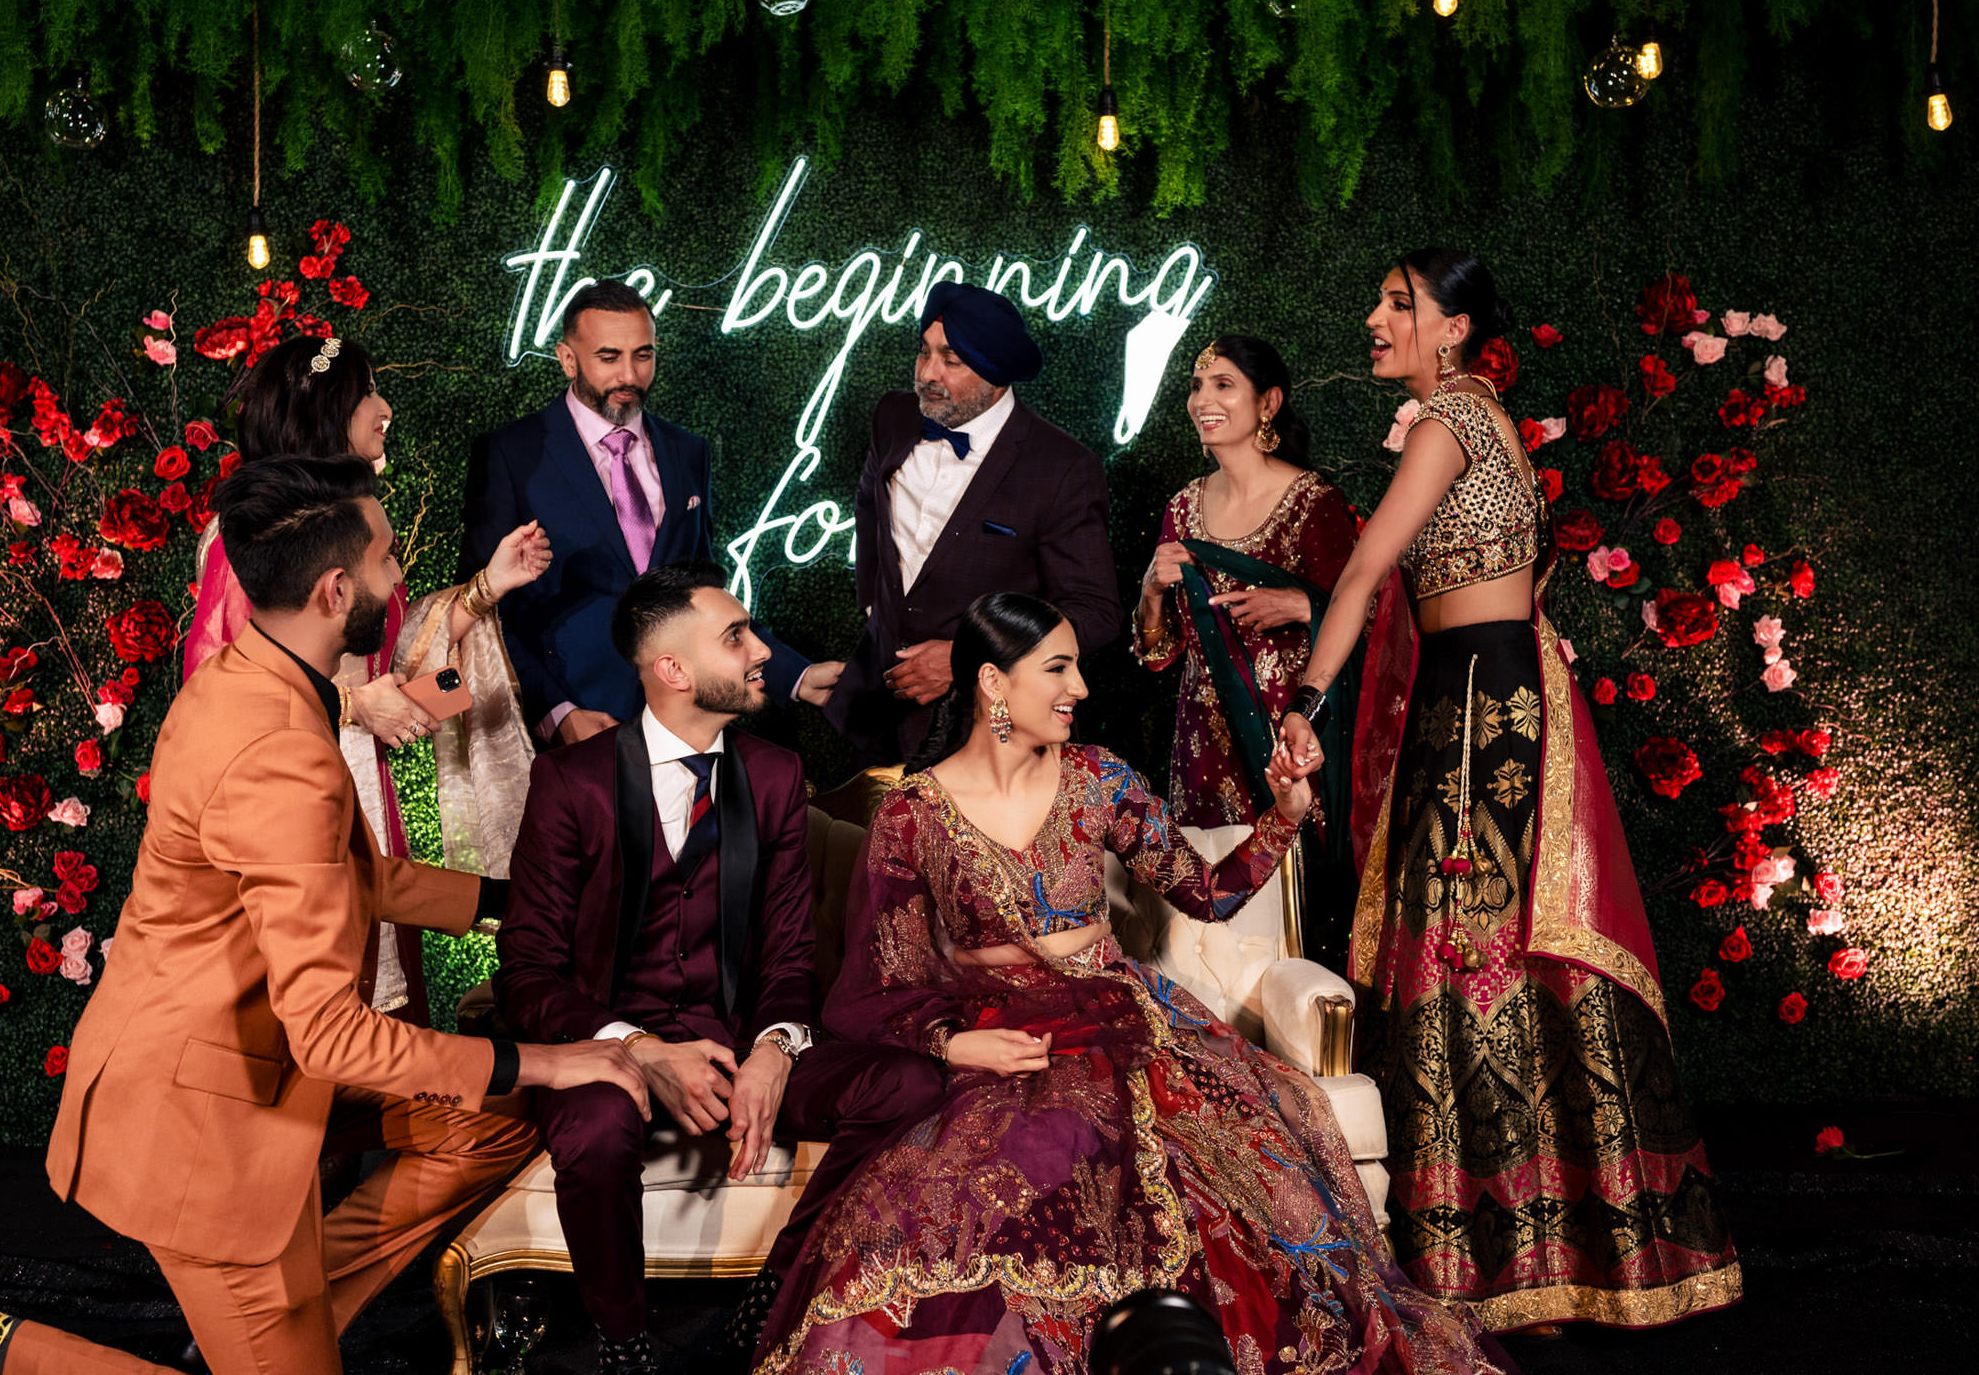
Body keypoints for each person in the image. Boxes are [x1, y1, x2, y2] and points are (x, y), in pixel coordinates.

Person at [0, 455, 646, 1375]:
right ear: (335, 589)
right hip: (201, 1120)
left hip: (250, 1055)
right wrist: (561, 1059)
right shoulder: (283, 751)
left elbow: (353, 876)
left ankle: (269, 1325)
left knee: (492, 1120)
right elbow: (333, 1039)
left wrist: (521, 905)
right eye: (390, 562)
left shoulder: (250, 677)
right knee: (516, 1089)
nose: (400, 581)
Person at [758, 592, 1516, 1375]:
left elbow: (1206, 892)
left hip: (1124, 1017)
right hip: (1002, 1038)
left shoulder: (1098, 779)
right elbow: (884, 976)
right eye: (1058, 668)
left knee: (1230, 1185)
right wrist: (956, 1045)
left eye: (1077, 666)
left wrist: (1285, 813)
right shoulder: (913, 815)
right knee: (951, 1204)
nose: (1081, 687)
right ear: (992, 683)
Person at [1274, 249, 1742, 1330]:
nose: (1373, 318)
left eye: (1399, 304)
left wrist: (1302, 699)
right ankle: (1563, 1243)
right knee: (1494, 956)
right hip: (1484, 697)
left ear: (1453, 329)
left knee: (1465, 952)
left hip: (1483, 710)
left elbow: (1361, 572)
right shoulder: (1485, 419)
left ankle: (1491, 1256)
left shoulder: (1447, 423)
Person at [493, 561, 945, 1375]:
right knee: (594, 1127)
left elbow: (787, 952)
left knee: (910, 1087)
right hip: (612, 1056)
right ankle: (627, 1347)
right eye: (736, 637)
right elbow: (527, 971)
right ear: (672, 670)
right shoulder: (570, 783)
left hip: (735, 1043)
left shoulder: (773, 776)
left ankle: (771, 1301)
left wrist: (774, 1048)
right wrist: (639, 1049)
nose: (760, 650)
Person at [186, 333, 550, 1028]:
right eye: (366, 394)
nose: (385, 408)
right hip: (287, 821)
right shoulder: (250, 544)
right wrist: (355, 705)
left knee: (377, 1033)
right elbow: (215, 691)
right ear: (327, 412)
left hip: (369, 817)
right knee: (313, 1026)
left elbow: (409, 685)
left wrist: (483, 592)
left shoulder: (353, 530)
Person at [461, 279, 842, 746]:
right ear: (567, 358)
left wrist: (796, 675)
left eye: (643, 355)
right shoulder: (511, 455)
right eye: (609, 357)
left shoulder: (687, 452)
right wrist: (557, 714)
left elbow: (701, 593)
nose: (629, 375)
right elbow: (482, 609)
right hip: (578, 724)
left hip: (685, 720)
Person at [1134, 335, 1364, 966]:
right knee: (1208, 923)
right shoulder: (1182, 509)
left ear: (1269, 403)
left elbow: (1368, 614)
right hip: (1201, 745)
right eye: (1197, 385)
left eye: (1223, 385)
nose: (1202, 400)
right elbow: (1158, 658)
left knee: (1293, 911)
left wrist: (1301, 606)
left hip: (1290, 737)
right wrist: (1153, 591)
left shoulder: (1312, 504)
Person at [825, 281, 1123, 769]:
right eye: (924, 352)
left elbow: (1095, 611)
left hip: (986, 734)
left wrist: (968, 660)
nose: (927, 374)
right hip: (874, 711)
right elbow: (868, 506)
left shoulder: (1062, 468)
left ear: (997, 373)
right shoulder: (894, 417)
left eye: (951, 361)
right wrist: (876, 608)